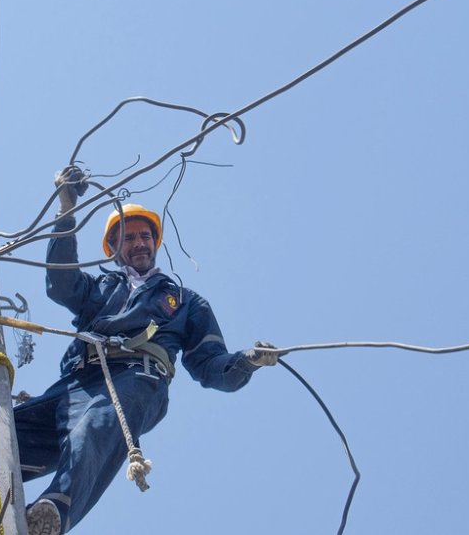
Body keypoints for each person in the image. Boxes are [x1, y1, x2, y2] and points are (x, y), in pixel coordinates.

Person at [16, 167, 279, 535]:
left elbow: (208, 365)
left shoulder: (186, 302)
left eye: (145, 236)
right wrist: (66, 210)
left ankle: (52, 512)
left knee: (97, 426)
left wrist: (246, 363)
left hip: (137, 380)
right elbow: (61, 284)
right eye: (129, 238)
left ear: (155, 242)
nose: (139, 243)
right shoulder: (100, 289)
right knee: (3, 434)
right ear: (113, 248)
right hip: (77, 382)